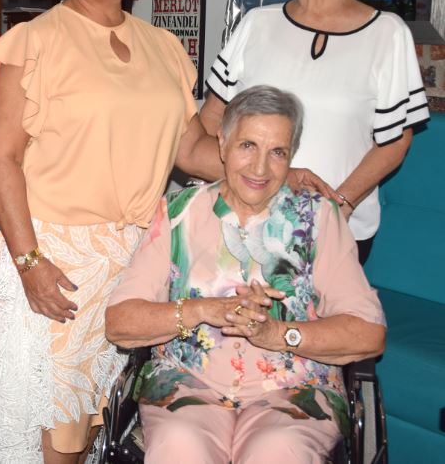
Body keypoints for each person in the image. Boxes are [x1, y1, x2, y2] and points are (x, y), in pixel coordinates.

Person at [0, 0, 222, 464]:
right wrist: (28, 262)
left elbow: (192, 148)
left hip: (138, 257)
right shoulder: (33, 42)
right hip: (54, 256)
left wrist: (268, 166)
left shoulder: (165, 47)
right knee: (58, 428)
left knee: (115, 416)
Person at [106, 85, 386, 463]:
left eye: (277, 153)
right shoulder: (178, 213)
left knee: (277, 450)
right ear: (222, 144)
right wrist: (204, 309)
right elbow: (120, 322)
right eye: (247, 146)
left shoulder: (318, 219)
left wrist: (279, 334)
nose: (260, 168)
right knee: (179, 443)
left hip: (295, 390)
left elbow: (368, 334)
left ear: (291, 157)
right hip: (188, 384)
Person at [200, 0, 430, 264]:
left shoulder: (387, 34)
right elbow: (211, 121)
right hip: (243, 223)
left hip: (337, 232)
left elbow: (394, 142)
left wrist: (336, 207)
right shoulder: (256, 24)